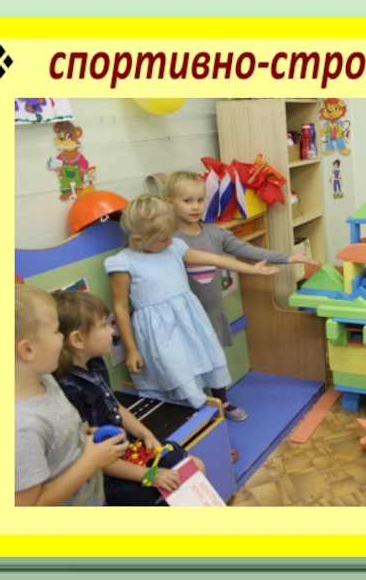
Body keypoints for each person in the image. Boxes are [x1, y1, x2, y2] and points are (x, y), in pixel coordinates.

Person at [165, 170, 320, 420]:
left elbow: (248, 250)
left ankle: (222, 401)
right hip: (184, 317)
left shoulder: (215, 234)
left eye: (200, 200)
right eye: (187, 201)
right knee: (188, 363)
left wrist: (289, 258)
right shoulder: (168, 239)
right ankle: (194, 408)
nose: (195, 207)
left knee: (216, 361)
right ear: (169, 202)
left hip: (211, 312)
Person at [105, 194, 281, 410]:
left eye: (170, 236)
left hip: (190, 320)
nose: (170, 242)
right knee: (176, 370)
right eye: (164, 239)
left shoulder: (173, 248)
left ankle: (221, 403)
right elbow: (121, 308)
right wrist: (131, 349)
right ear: (139, 239)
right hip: (161, 332)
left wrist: (252, 269)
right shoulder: (123, 263)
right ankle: (194, 414)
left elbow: (214, 259)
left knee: (206, 358)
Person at [53, 290, 208, 505]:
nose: (111, 330)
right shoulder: (68, 390)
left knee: (196, 467)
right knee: (178, 488)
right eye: (103, 325)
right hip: (107, 472)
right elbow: (94, 459)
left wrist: (146, 434)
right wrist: (150, 476)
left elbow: (114, 407)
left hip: (129, 448)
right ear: (78, 339)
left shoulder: (94, 362)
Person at [15, 285, 127, 506]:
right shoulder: (21, 428)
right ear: (28, 350)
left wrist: (81, 435)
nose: (62, 338)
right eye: (56, 331)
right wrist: (91, 462)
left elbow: (56, 434)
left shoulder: (45, 379)